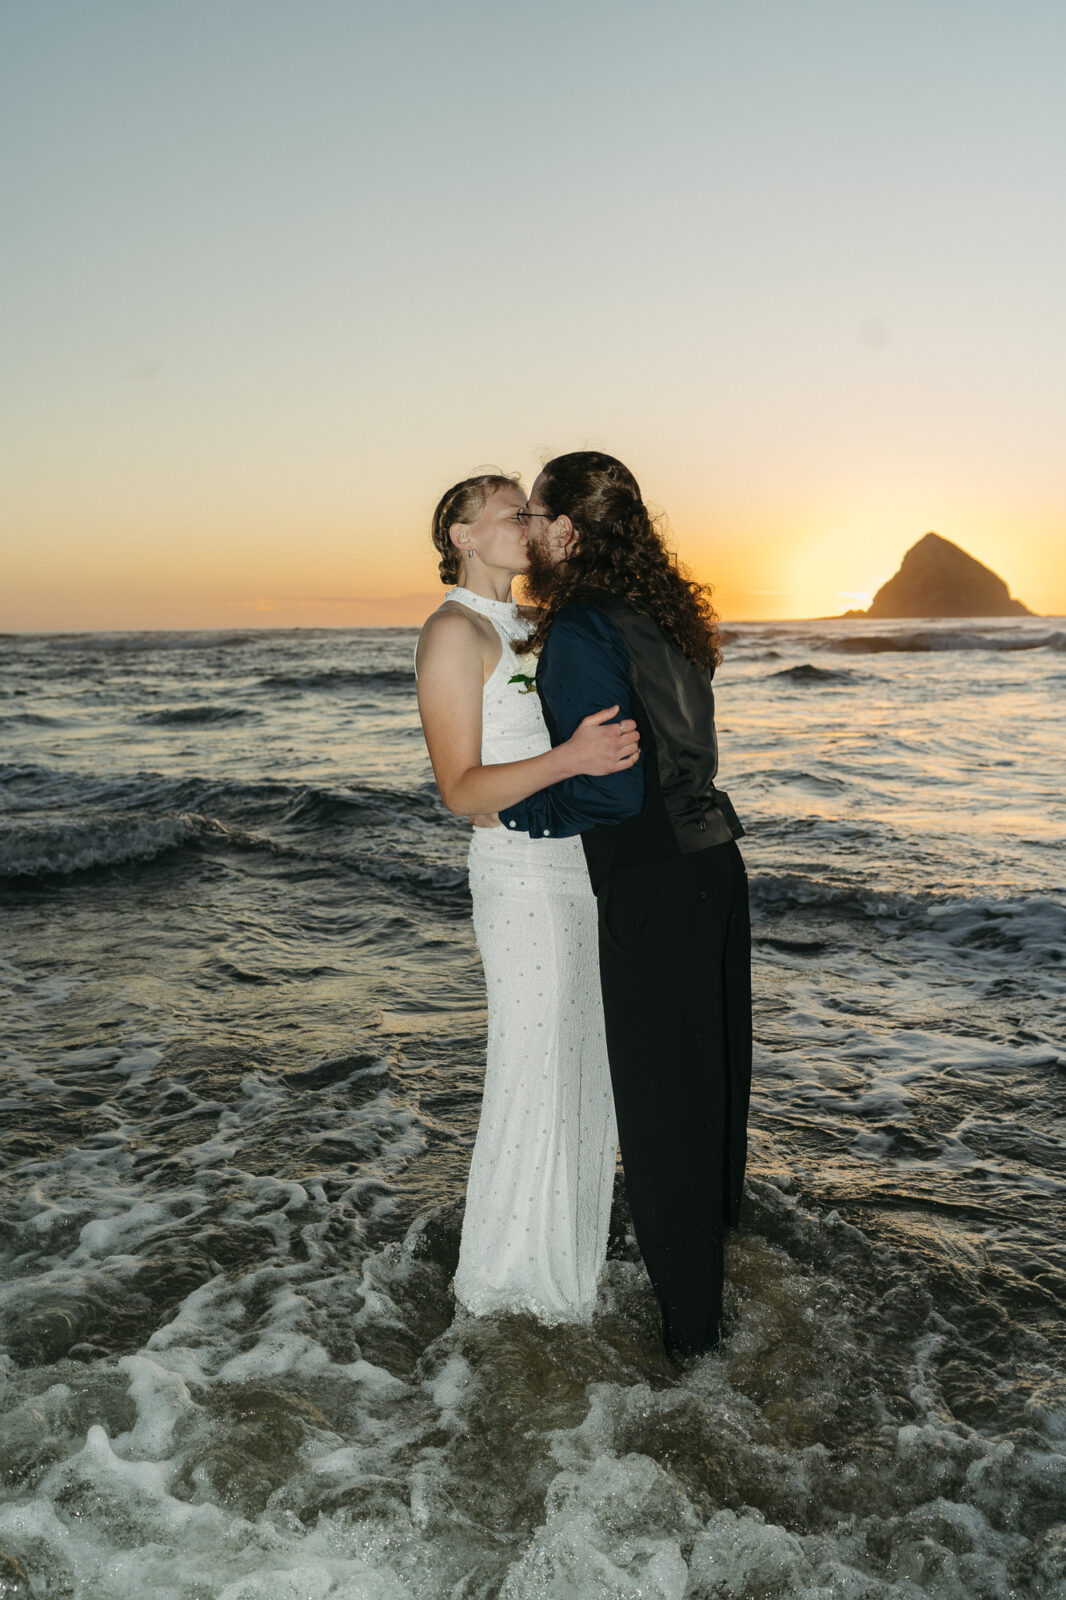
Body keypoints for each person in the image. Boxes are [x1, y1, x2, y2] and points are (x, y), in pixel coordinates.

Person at [497, 451, 751, 1357]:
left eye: (535, 514)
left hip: (654, 880)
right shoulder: (667, 616)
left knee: (661, 1111)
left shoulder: (582, 631)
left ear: (568, 530)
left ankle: (693, 1341)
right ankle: (723, 1263)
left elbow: (604, 789)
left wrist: (512, 807)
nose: (526, 529)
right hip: (717, 866)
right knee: (712, 1086)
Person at [415, 472, 639, 1323]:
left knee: (581, 1063)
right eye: (510, 513)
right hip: (518, 878)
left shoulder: (530, 624)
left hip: (573, 868)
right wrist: (571, 759)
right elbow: (461, 790)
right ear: (464, 538)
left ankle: (568, 1266)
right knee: (533, 1066)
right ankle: (510, 1283)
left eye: (529, 511)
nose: (528, 522)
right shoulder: (452, 633)